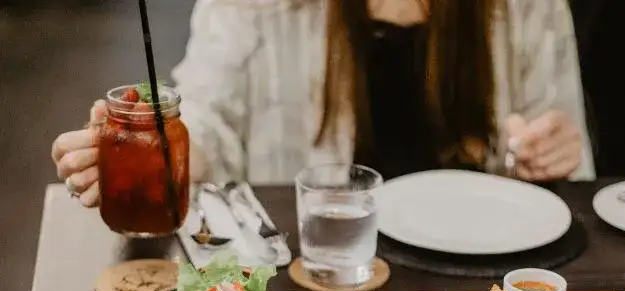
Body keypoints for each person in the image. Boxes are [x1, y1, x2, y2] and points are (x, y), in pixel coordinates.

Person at [52, 0, 595, 208]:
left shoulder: (528, 7)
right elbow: (208, 117)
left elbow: (558, 142)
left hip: (481, 279)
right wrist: (152, 149)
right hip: (315, 273)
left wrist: (549, 154)